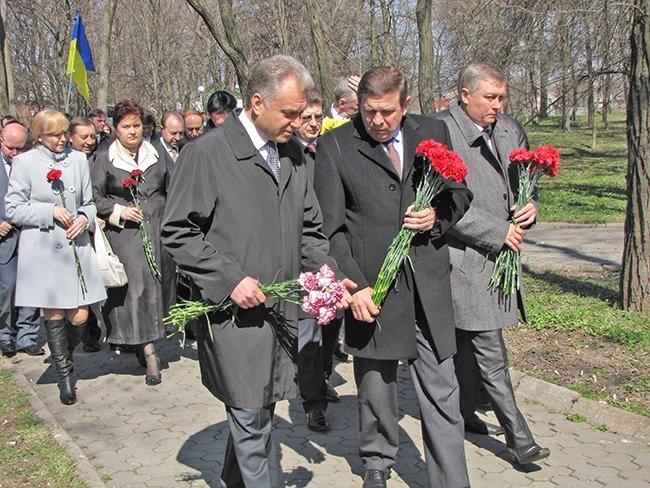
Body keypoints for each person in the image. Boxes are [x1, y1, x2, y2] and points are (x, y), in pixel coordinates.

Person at [162, 55, 352, 488]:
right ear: (257, 103)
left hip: (281, 311)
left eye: (302, 114)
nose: (299, 123)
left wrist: (327, 275)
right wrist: (229, 279)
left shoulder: (294, 154)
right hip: (233, 317)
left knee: (259, 408)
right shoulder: (206, 154)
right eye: (290, 114)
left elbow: (310, 229)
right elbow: (177, 231)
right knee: (251, 416)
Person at [313, 66, 472, 488]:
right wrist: (353, 285)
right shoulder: (335, 145)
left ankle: (451, 479)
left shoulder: (433, 131)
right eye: (369, 112)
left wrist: (436, 217)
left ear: (405, 104)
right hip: (371, 288)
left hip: (427, 286)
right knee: (376, 384)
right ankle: (377, 461)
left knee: (442, 388)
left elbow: (460, 194)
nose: (378, 121)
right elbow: (330, 229)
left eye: (387, 111)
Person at [434, 62, 550, 466]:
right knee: (489, 348)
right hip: (461, 257)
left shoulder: (509, 129)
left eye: (502, 97)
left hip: (501, 256)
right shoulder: (441, 131)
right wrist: (496, 232)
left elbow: (521, 183)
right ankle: (520, 440)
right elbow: (441, 204)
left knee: (469, 343)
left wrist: (530, 206)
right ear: (465, 95)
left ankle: (465, 412)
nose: (498, 105)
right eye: (490, 97)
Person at [5, 110, 106, 405]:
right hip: (44, 249)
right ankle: (65, 376)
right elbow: (13, 208)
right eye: (54, 135)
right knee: (54, 313)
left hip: (75, 247)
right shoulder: (24, 163)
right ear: (39, 137)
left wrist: (84, 218)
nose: (62, 139)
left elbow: (89, 202)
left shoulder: (78, 160)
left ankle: (66, 353)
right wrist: (48, 211)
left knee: (80, 315)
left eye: (63, 133)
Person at [91, 100, 175, 386]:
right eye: (126, 126)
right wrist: (119, 211)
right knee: (136, 289)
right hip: (126, 234)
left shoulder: (157, 153)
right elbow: (96, 196)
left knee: (157, 286)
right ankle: (149, 351)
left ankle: (146, 340)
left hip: (158, 230)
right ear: (115, 129)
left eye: (136, 125)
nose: (132, 131)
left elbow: (173, 186)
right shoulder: (105, 158)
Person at [0, 122, 43, 357]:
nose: (15, 154)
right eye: (11, 148)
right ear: (1, 141)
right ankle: (5, 335)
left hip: (30, 234)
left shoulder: (31, 164)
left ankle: (27, 336)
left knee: (31, 287)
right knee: (6, 288)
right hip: (4, 239)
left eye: (21, 148)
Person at [66, 117, 104, 353]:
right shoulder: (67, 163)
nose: (90, 141)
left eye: (92, 136)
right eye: (84, 137)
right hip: (77, 230)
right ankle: (89, 335)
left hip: (102, 226)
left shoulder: (100, 157)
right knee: (83, 284)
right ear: (70, 137)